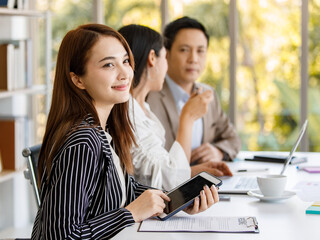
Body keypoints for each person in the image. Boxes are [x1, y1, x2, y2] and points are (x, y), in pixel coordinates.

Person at [31, 24, 219, 240]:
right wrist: (130, 213)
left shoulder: (106, 130)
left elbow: (125, 189)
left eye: (126, 61)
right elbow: (62, 236)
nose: (124, 74)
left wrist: (171, 203)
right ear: (78, 80)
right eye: (109, 65)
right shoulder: (83, 141)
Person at [118, 24, 232, 191]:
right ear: (152, 58)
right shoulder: (129, 111)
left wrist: (191, 171)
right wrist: (188, 118)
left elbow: (148, 174)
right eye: (165, 57)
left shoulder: (143, 109)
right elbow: (172, 182)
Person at [147, 16, 241, 164]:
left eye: (200, 51)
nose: (194, 59)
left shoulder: (208, 94)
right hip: (165, 186)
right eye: (184, 50)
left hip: (207, 184)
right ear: (167, 53)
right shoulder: (148, 96)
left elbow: (233, 139)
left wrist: (218, 151)